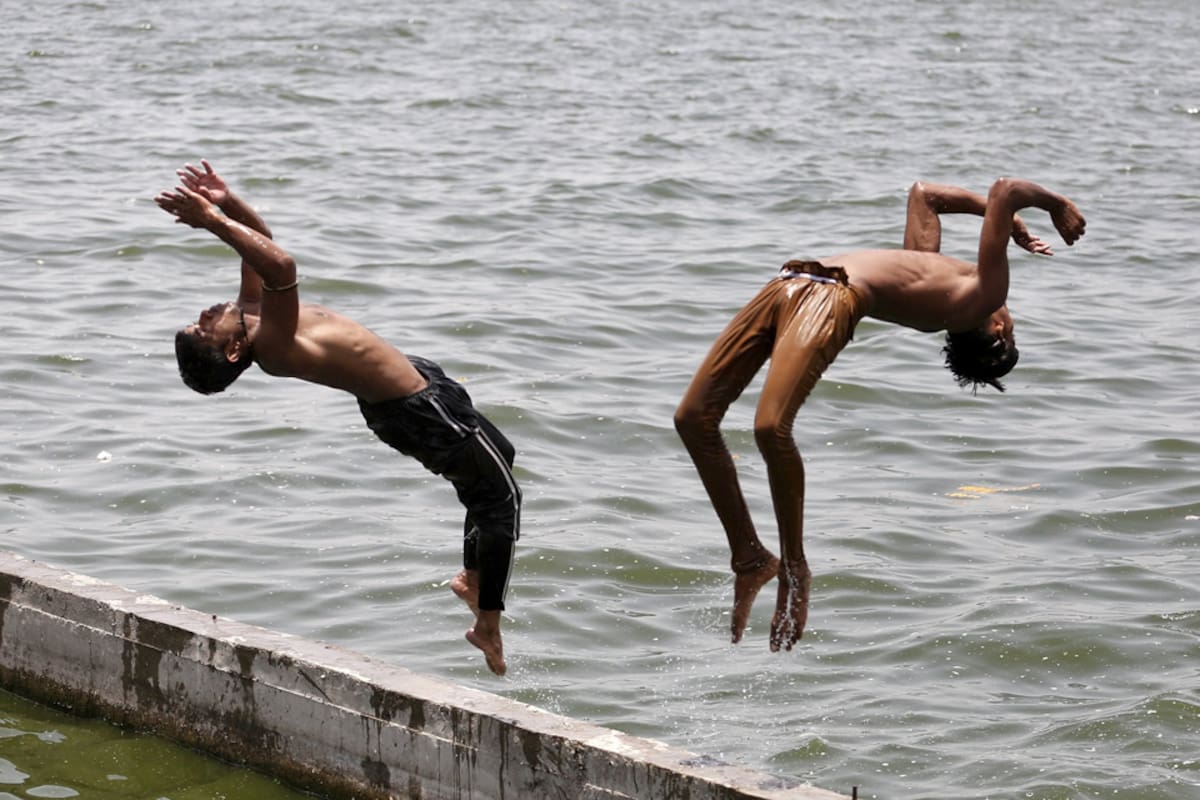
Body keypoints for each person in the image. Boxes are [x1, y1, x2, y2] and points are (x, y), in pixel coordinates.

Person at [674, 177, 1086, 653]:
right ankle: (749, 558)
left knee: (770, 428)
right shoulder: (937, 281)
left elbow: (1005, 188)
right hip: (790, 282)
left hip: (828, 293)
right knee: (693, 418)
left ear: (998, 331)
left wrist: (1055, 206)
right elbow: (925, 195)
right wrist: (1008, 222)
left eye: (1014, 332)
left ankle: (793, 568)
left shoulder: (986, 294)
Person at [155, 161, 521, 676]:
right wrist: (211, 221)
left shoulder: (253, 315)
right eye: (203, 327)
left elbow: (260, 242)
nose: (206, 313)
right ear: (234, 350)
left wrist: (225, 202)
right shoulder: (274, 346)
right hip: (417, 409)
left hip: (418, 392)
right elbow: (282, 266)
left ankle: (473, 576)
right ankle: (487, 623)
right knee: (501, 498)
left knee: (497, 461)